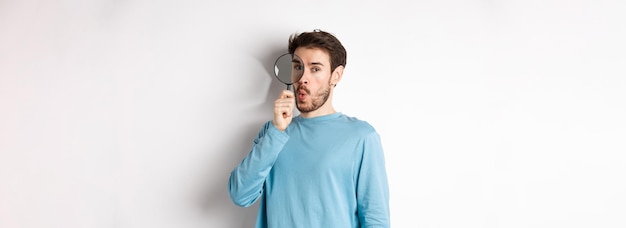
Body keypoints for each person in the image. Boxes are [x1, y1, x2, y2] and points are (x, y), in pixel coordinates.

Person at [228, 29, 390, 228]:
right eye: (297, 67)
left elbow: (376, 220)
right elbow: (240, 195)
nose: (303, 78)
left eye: (315, 69)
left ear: (336, 75)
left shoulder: (361, 136)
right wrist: (277, 131)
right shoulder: (273, 133)